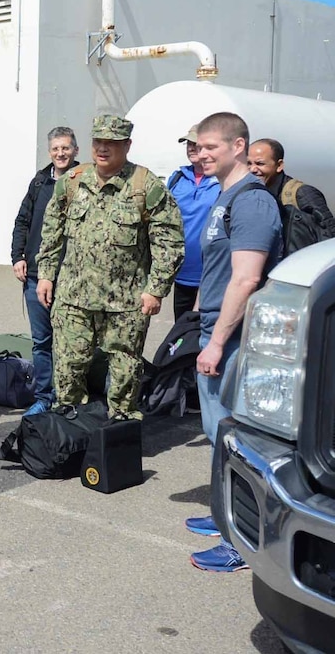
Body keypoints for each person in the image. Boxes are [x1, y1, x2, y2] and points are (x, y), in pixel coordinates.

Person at [36, 115, 184, 421]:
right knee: (68, 365)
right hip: (73, 296)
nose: (103, 149)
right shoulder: (72, 181)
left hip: (125, 302)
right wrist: (47, 275)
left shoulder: (145, 186)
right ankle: (70, 428)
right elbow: (51, 231)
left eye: (112, 143)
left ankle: (120, 430)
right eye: (98, 142)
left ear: (127, 145)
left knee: (125, 370)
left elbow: (169, 242)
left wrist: (156, 289)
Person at [184, 113, 282, 573]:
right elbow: (221, 267)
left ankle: (240, 542)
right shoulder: (225, 196)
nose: (201, 154)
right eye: (197, 147)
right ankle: (225, 516)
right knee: (218, 435)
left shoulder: (252, 202)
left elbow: (246, 280)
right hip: (214, 328)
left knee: (235, 440)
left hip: (234, 339)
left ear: (238, 145)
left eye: (209, 147)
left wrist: (217, 342)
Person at [10, 127, 80, 415]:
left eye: (65, 148)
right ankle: (44, 397)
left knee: (73, 342)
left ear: (75, 150)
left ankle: (71, 399)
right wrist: (18, 256)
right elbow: (22, 221)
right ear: (50, 151)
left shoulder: (85, 181)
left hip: (72, 277)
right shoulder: (40, 182)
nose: (60, 154)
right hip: (37, 275)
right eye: (55, 149)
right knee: (42, 341)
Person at [168, 124, 221, 320]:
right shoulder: (177, 178)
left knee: (205, 332)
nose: (191, 147)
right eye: (188, 143)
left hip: (211, 273)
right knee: (181, 333)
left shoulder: (223, 180)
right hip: (181, 273)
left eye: (196, 143)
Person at [247, 137, 335, 251]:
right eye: (249, 163)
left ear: (279, 166)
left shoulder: (302, 194)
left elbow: (330, 235)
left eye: (260, 163)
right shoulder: (251, 195)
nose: (253, 169)